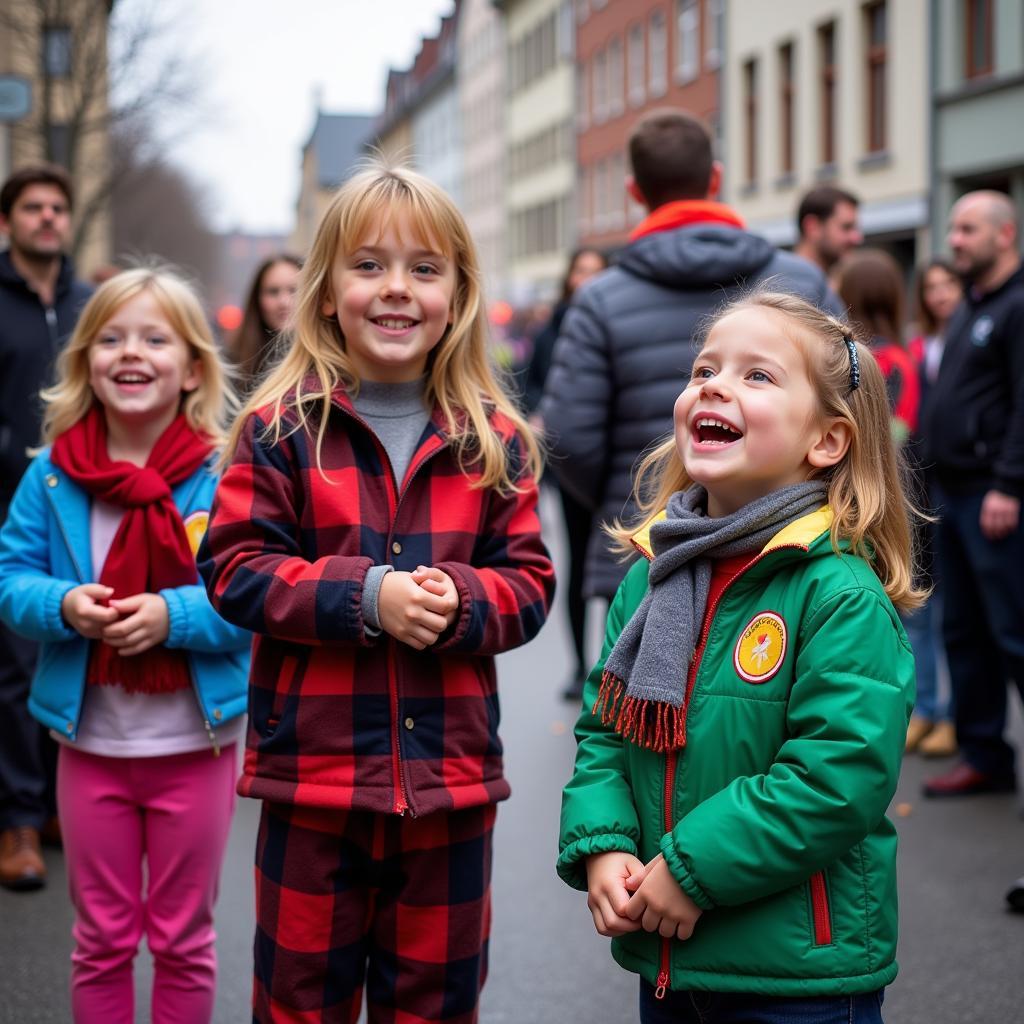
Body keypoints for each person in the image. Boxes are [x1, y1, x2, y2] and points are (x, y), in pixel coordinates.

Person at [198, 164, 555, 1024]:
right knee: (297, 1004)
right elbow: (236, 565)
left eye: (424, 270)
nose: (397, 289)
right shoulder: (279, 428)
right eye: (369, 266)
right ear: (324, 295)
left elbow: (531, 582)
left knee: (436, 1005)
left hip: (451, 789)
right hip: (312, 785)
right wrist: (367, 597)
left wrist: (460, 602)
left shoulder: (491, 439)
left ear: (458, 295)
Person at [558, 290, 917, 1023]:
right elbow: (604, 730)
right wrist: (602, 842)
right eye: (704, 370)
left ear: (827, 441)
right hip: (671, 958)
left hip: (797, 976)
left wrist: (691, 871)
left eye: (757, 376)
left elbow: (835, 778)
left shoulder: (838, 592)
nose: (713, 385)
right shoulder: (651, 578)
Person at [0, 266, 251, 1022]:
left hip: (196, 748)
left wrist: (173, 615)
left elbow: (252, 595)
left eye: (153, 338)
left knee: (183, 940)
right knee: (101, 940)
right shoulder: (48, 479)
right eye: (109, 339)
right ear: (84, 364)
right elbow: (11, 578)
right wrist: (64, 603)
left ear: (193, 368)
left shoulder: (225, 474)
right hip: (89, 749)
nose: (129, 353)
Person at [541, 109, 839, 611]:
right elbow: (850, 402)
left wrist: (631, 495)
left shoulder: (599, 298)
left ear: (635, 191)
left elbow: (567, 434)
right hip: (786, 542)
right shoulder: (803, 282)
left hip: (649, 542)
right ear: (716, 179)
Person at [0, 163, 92, 891]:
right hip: (11, 505)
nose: (47, 218)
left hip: (82, 504)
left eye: (57, 207)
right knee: (14, 669)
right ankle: (19, 823)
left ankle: (59, 804)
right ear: (11, 220)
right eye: (33, 207)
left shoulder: (88, 302)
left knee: (73, 651)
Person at [919, 190, 1024, 807]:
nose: (954, 240)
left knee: (1013, 632)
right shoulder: (970, 307)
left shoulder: (1015, 306)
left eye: (967, 229)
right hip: (951, 495)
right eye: (953, 228)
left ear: (1004, 234)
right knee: (963, 631)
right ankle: (985, 755)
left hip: (994, 497)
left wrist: (1010, 484)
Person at [526, 247, 608, 699]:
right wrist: (542, 413)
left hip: (618, 469)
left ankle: (615, 665)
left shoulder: (614, 317)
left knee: (623, 570)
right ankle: (581, 665)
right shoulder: (552, 329)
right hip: (574, 466)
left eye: (596, 272)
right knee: (577, 567)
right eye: (581, 270)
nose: (588, 279)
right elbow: (533, 382)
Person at [902, 258, 964, 757]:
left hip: (962, 489)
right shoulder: (917, 349)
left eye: (949, 284)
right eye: (932, 287)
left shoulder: (969, 341)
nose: (941, 294)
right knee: (923, 608)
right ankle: (927, 709)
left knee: (953, 614)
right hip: (925, 491)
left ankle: (950, 714)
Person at [226, 253, 302, 393]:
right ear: (257, 300)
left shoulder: (330, 362)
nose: (283, 302)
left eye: (293, 290)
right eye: (273, 292)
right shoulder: (233, 364)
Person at [794, 185, 863, 278]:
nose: (857, 238)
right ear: (812, 227)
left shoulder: (829, 286)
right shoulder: (786, 287)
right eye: (846, 227)